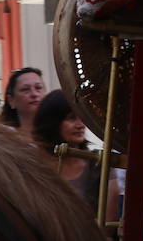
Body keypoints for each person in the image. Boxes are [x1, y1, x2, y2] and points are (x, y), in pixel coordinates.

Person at [33, 90, 120, 218]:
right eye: (71, 118)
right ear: (53, 122)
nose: (80, 125)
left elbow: (108, 219)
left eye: (82, 118)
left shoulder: (97, 163)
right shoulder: (34, 165)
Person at [0, 66, 46, 138]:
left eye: (38, 88)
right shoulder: (3, 137)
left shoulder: (60, 132)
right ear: (11, 100)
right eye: (25, 89)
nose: (34, 94)